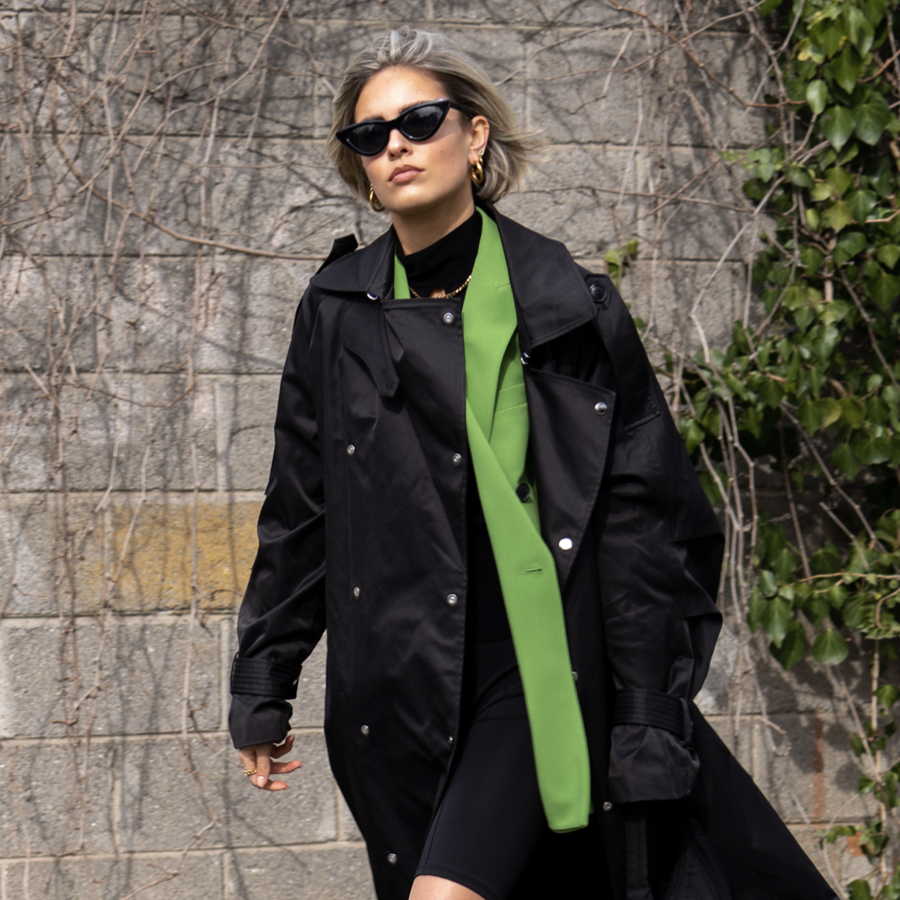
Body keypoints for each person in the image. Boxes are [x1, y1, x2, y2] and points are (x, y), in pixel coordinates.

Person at [229, 27, 837, 900]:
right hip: (396, 690)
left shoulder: (570, 307)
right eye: (370, 134)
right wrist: (265, 679)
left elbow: (644, 520)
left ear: (474, 137)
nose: (395, 144)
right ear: (359, 165)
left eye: (421, 120)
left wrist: (646, 714)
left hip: (538, 671)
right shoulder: (335, 312)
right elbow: (301, 511)